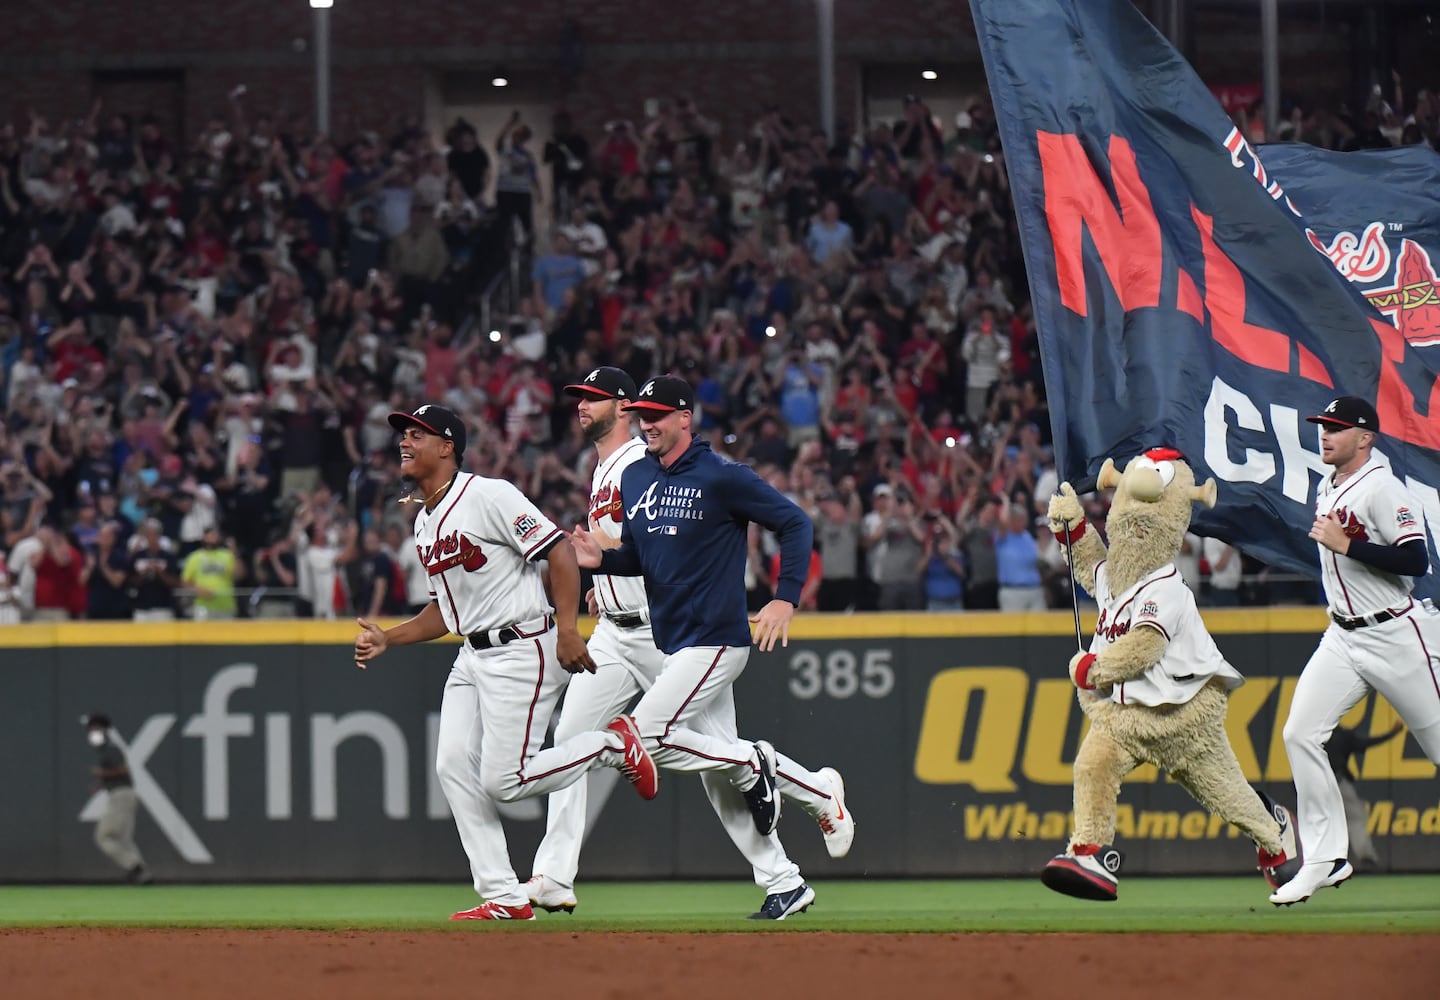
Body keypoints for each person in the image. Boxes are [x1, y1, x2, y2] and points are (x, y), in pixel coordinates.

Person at [526, 368, 853, 916]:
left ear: (628, 409)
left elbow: (790, 523)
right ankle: (554, 875)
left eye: (593, 398)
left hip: (670, 632)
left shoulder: (646, 460)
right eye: (578, 398)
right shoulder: (624, 471)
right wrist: (600, 569)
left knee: (696, 757)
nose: (581, 406)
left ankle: (788, 833)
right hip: (617, 631)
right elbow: (640, 549)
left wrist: (786, 595)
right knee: (572, 742)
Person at [353, 403, 657, 922]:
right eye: (403, 434)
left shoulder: (488, 495)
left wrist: (567, 628)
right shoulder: (425, 521)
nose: (405, 441)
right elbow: (445, 613)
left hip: (524, 646)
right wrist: (390, 638)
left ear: (447, 446)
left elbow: (558, 551)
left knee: (505, 781)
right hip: (472, 654)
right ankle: (505, 894)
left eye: (417, 434)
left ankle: (613, 744)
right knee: (451, 763)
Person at [1273, 396, 1440, 905]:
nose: (1325, 434)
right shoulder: (1330, 485)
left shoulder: (1383, 488)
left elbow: (1417, 559)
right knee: (1300, 732)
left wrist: (1348, 546)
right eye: (1323, 425)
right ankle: (1324, 857)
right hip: (1343, 636)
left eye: (1337, 428)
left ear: (1365, 438)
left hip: (1397, 634)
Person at [82, 713, 152, 884]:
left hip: (120, 795)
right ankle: (142, 874)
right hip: (126, 793)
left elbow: (122, 770)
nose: (93, 732)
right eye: (91, 728)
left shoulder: (111, 749)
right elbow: (118, 773)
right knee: (123, 839)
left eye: (96, 728)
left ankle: (136, 867)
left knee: (104, 837)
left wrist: (101, 774)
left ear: (104, 730)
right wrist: (101, 782)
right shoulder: (107, 750)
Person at [1326, 722, 1404, 868]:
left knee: (1321, 821)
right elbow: (1367, 742)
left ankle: (1319, 860)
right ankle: (1365, 856)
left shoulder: (1314, 734)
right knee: (1357, 817)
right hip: (1337, 782)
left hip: (1316, 785)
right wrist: (1391, 734)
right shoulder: (1342, 735)